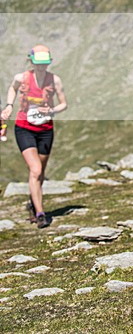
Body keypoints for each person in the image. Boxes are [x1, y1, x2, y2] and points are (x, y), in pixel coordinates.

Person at [1, 45, 68, 229]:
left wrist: (52, 110)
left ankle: (32, 203)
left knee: (40, 172)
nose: (41, 67)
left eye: (44, 63)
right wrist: (9, 106)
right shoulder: (21, 78)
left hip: (46, 130)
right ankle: (40, 214)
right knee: (36, 170)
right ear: (31, 62)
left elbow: (64, 104)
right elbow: (12, 88)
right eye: (38, 63)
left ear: (48, 63)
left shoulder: (54, 80)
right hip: (24, 129)